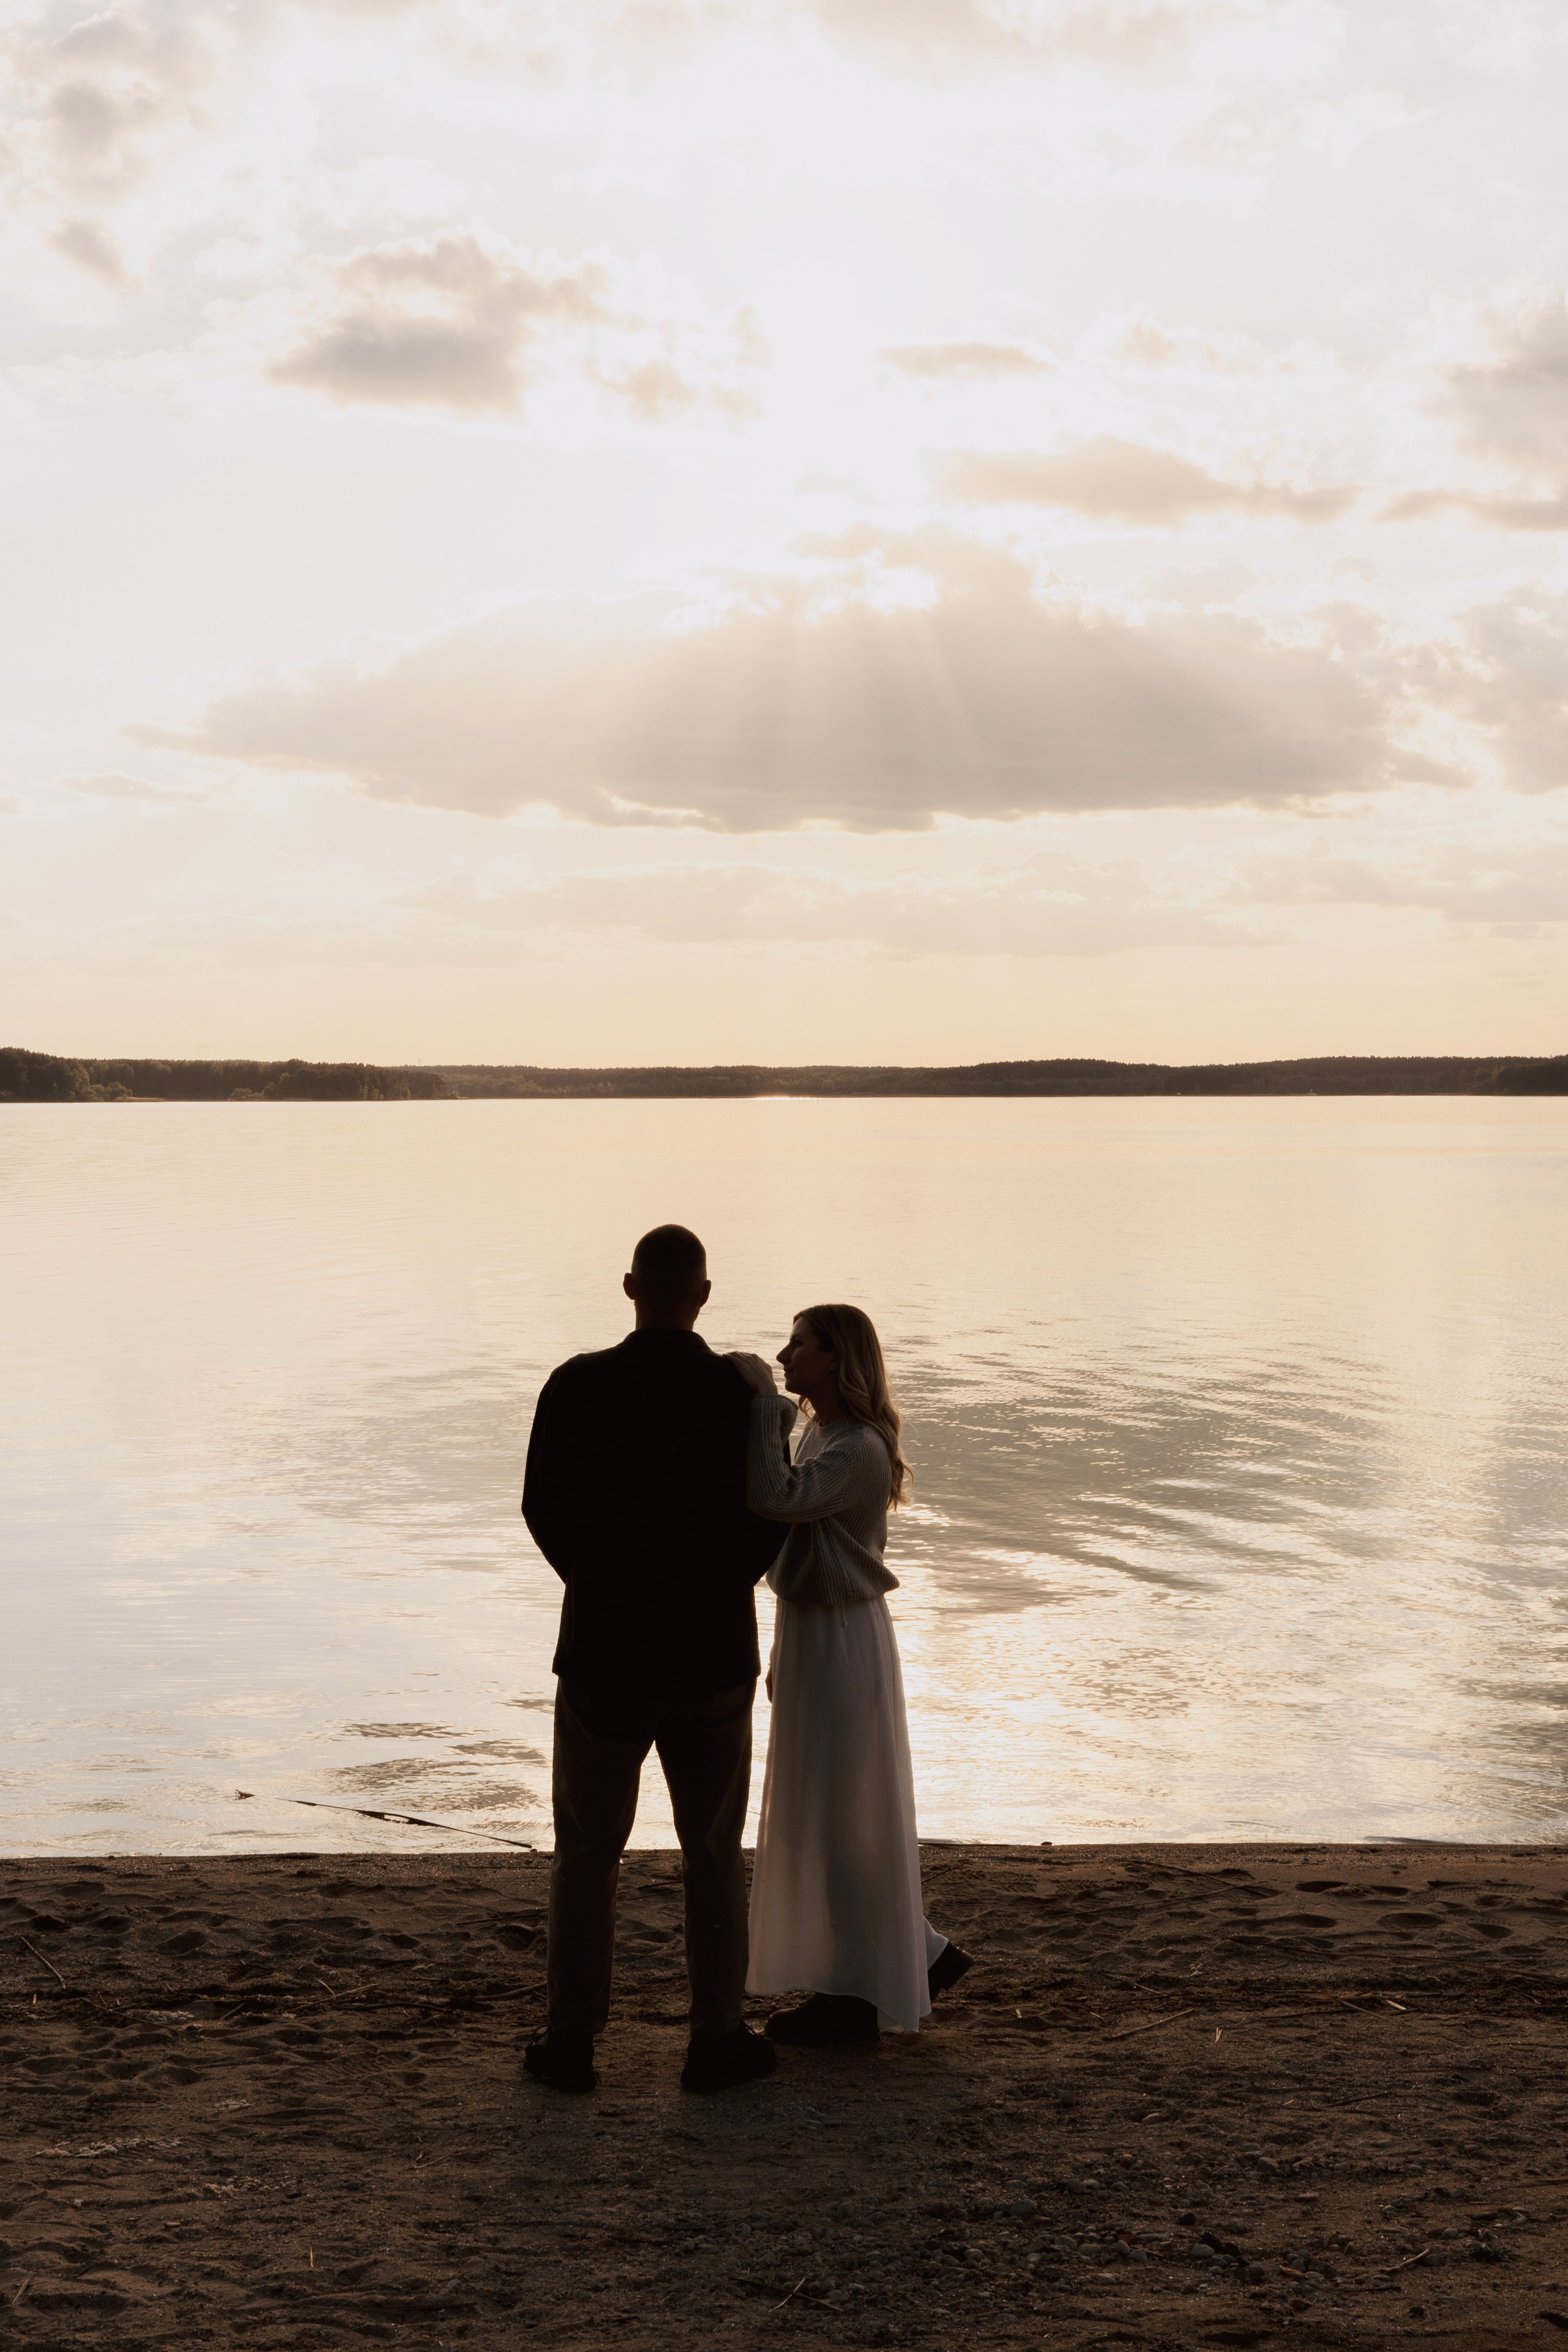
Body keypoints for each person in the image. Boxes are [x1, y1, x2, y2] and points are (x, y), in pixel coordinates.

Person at [521, 1224, 785, 2095]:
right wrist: (711, 1587)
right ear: (703, 1295)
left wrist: (598, 1585)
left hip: (603, 1649)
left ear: (629, 1286)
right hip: (711, 1649)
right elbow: (767, 1515)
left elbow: (543, 1508)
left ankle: (571, 2043)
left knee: (587, 1852)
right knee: (712, 1850)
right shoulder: (740, 1394)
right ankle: (715, 2037)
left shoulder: (576, 1384)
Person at [729, 1305, 972, 2042]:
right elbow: (795, 1540)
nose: (784, 1353)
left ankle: (860, 1993)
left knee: (842, 1817)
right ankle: (915, 1956)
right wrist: (781, 1655)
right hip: (812, 1630)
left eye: (799, 1345)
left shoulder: (858, 1448)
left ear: (835, 1358)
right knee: (825, 1812)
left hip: (842, 1634)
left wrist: (762, 1410)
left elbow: (776, 1499)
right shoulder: (823, 1433)